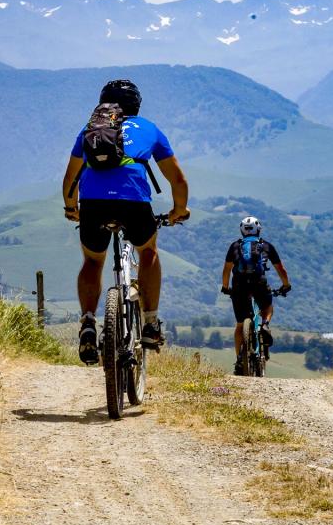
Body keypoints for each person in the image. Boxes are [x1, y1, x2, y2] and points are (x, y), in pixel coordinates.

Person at [62, 79, 190, 364]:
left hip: (93, 206)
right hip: (134, 204)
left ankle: (86, 323)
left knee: (93, 261)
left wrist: (72, 208)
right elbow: (178, 179)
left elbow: (70, 179)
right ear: (137, 105)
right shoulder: (150, 129)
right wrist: (179, 209)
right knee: (148, 251)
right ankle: (150, 323)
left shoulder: (89, 130)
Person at [221, 216, 291, 375]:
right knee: (267, 307)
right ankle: (265, 324)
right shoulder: (266, 245)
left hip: (239, 286)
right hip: (259, 283)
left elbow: (226, 270)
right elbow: (281, 270)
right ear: (258, 230)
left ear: (242, 230)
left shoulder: (235, 246)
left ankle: (240, 359)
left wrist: (225, 287)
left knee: (240, 325)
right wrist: (286, 285)